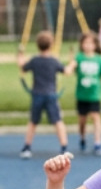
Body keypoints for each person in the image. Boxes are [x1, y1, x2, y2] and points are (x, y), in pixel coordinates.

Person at [20, 31, 70, 159]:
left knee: (33, 122)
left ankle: (27, 147)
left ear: (37, 45)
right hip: (51, 95)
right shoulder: (54, 61)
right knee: (58, 121)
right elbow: (66, 71)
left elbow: (22, 67)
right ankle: (64, 147)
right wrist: (72, 63)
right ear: (51, 45)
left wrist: (20, 56)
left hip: (37, 95)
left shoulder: (34, 61)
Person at [69, 32, 101, 155]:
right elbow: (72, 67)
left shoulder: (100, 60)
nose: (88, 45)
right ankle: (82, 138)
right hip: (82, 95)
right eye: (85, 43)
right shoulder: (79, 57)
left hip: (94, 95)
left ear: (95, 45)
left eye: (91, 43)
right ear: (82, 45)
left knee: (96, 117)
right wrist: (69, 67)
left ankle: (97, 143)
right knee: (82, 121)